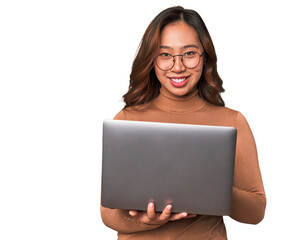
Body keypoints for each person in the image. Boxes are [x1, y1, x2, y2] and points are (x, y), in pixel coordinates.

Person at [100, 6, 266, 239]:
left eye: (189, 53)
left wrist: (214, 185)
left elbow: (256, 211)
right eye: (165, 55)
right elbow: (108, 214)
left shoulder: (232, 121)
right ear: (151, 60)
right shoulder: (127, 120)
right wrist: (148, 222)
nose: (178, 67)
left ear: (204, 56)